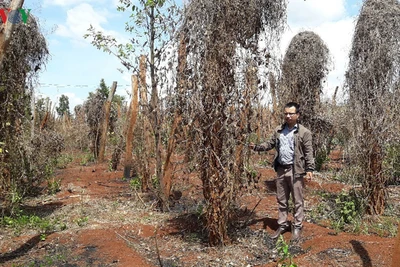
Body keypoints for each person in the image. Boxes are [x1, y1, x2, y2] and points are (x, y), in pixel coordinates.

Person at [249, 102, 315, 241]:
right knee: (282, 200)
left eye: (291, 113)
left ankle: (297, 227)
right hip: (281, 169)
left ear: (298, 115)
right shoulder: (279, 130)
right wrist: (256, 147)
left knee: (298, 200)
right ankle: (282, 224)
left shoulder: (304, 132)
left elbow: (309, 152)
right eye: (286, 113)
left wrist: (309, 170)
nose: (288, 116)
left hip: (295, 170)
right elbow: (270, 144)